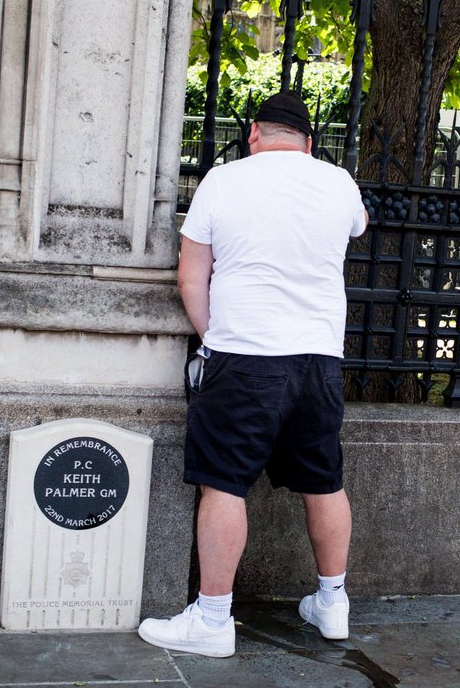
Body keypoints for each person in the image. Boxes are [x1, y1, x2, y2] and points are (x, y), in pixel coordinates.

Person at [137, 90, 368, 658]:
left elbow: (191, 278)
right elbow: (357, 227)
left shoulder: (224, 179)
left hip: (243, 356)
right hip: (318, 359)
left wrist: (215, 338)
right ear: (309, 143)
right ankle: (332, 602)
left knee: (224, 481)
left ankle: (214, 618)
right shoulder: (339, 181)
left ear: (254, 135)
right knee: (324, 480)